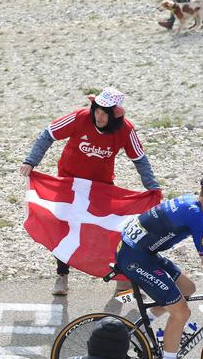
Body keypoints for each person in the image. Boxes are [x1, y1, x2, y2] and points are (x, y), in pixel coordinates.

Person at [20, 87, 160, 296]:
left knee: (110, 230)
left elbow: (139, 159)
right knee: (64, 227)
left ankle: (122, 282)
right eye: (97, 110)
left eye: (105, 113)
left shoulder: (125, 130)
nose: (99, 117)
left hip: (101, 187)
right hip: (69, 183)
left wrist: (152, 188)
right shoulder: (80, 117)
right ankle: (62, 276)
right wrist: (31, 161)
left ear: (115, 115)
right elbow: (47, 134)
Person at [115, 172, 203, 359]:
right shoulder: (195, 215)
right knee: (181, 313)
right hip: (135, 257)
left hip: (141, 252)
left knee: (188, 288)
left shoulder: (193, 204)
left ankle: (145, 324)